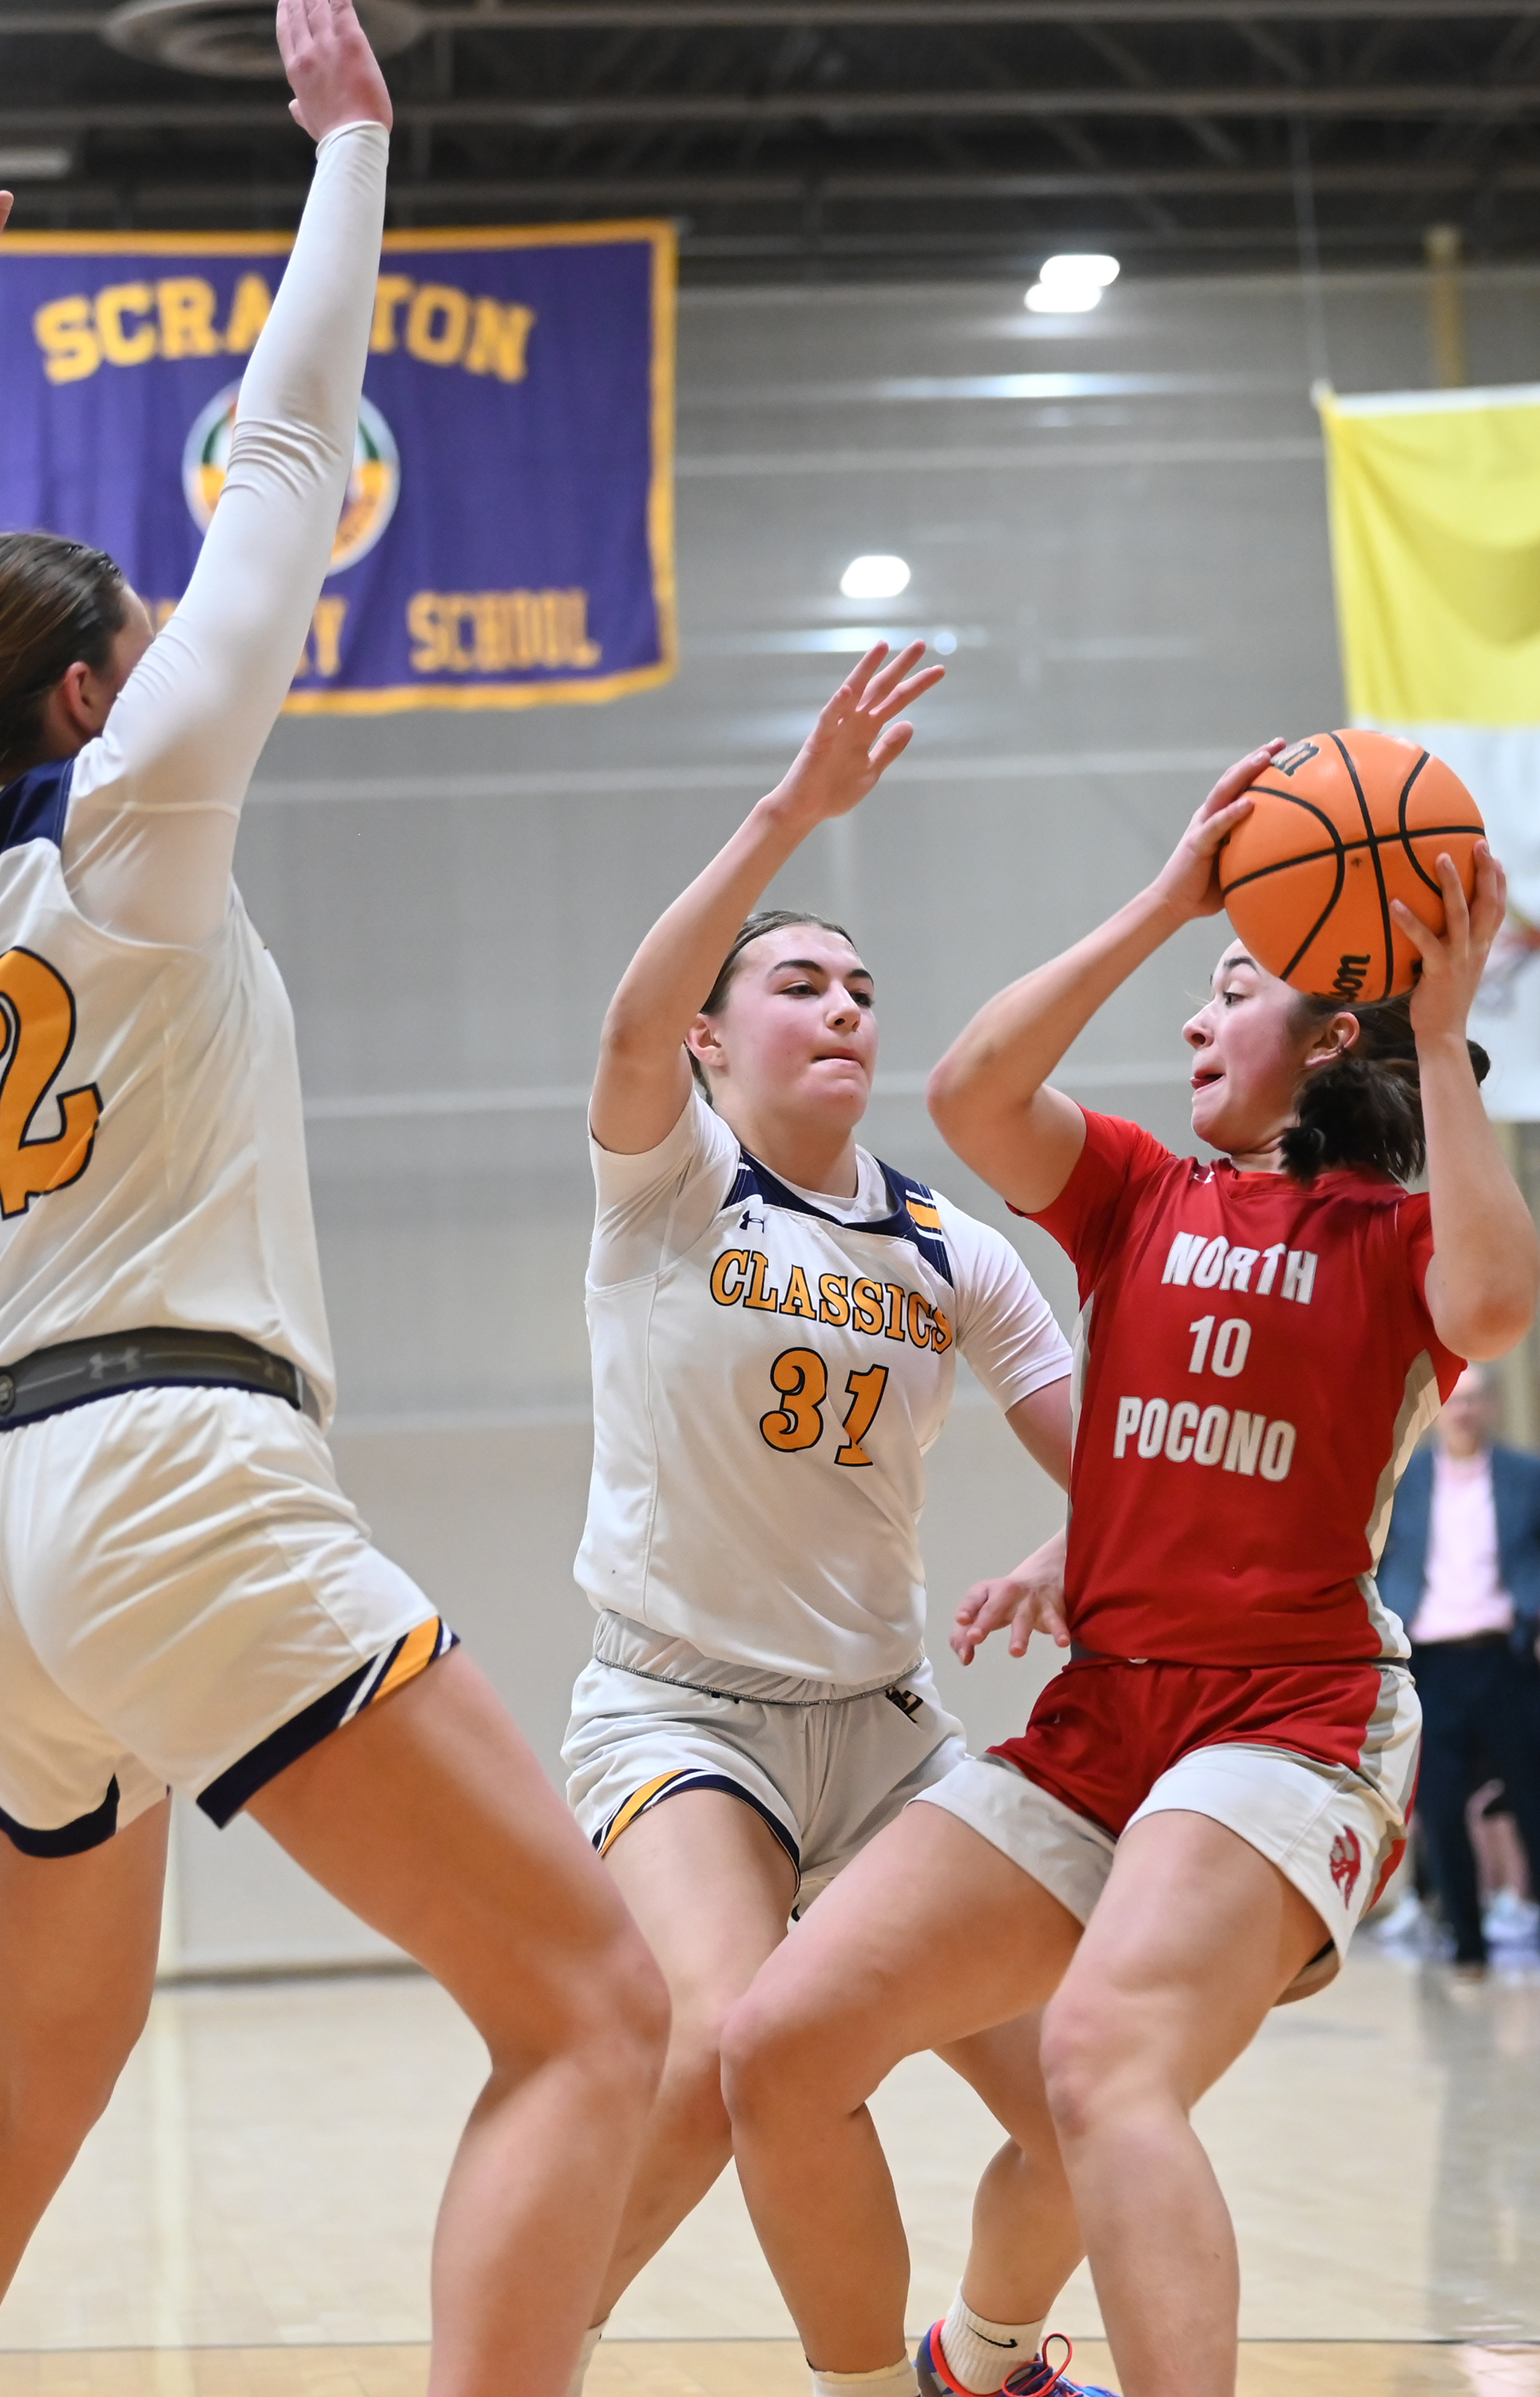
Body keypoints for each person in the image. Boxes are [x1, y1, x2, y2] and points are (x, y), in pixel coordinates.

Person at [0, 18, 666, 2395]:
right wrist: (351, 145)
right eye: (131, 649)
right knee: (594, 2012)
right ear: (81, 708)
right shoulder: (133, 821)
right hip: (171, 1475)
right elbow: (279, 453)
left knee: (34, 2082)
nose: (177, 658)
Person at [717, 743, 1539, 2397]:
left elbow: (1497, 1307)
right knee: (775, 2047)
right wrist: (1177, 898)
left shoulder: (1385, 1238)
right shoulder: (1141, 1195)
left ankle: (1021, 2355)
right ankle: (941, 2376)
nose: (1185, 1017)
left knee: (1099, 2059)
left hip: (1287, 1718)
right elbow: (966, 1090)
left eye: (1226, 989)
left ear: (1326, 1039)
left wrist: (1443, 1040)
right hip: (1101, 1721)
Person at [561, 642, 1075, 2394]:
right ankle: (523, 2348)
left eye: (861, 983)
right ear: (715, 1038)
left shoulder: (955, 1255)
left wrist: (1076, 1549)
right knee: (721, 2035)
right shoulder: (671, 1183)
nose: (845, 1003)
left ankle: (979, 2358)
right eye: (797, 980)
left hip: (886, 1736)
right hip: (680, 1706)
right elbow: (625, 1028)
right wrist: (792, 808)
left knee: (1089, 2089)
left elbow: (1127, 1477)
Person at [1375, 1363, 1540, 1973]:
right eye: (1454, 1401)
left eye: (1474, 1401)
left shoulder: (1525, 1477)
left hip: (1505, 1657)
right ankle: (1466, 1944)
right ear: (1437, 1409)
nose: (1463, 1412)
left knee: (1529, 1796)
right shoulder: (1404, 1482)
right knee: (1440, 1807)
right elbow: (1380, 1559)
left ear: (1491, 1408)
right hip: (1432, 1665)